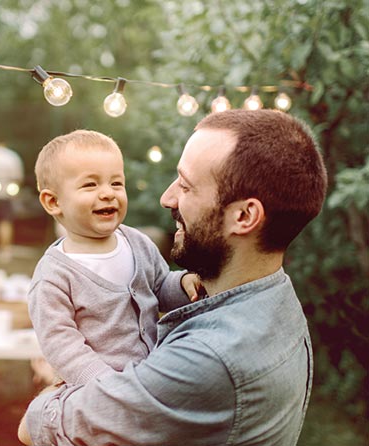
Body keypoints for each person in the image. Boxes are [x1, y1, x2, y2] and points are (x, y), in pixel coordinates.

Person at [19, 109, 327, 445]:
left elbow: (33, 427)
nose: (166, 198)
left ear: (244, 216)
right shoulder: (275, 298)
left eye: (186, 185)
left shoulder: (207, 359)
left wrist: (52, 382)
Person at [28, 129, 200, 386]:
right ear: (53, 202)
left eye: (116, 183)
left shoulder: (137, 243)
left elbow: (160, 288)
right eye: (90, 184)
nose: (108, 193)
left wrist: (182, 285)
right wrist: (106, 385)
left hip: (152, 380)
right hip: (101, 396)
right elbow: (61, 343)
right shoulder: (54, 276)